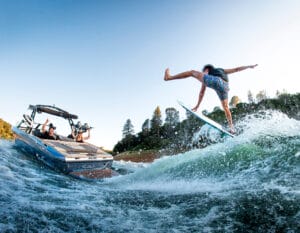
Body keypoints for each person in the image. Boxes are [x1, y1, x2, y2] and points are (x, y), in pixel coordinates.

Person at [164, 64, 258, 133]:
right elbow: (236, 69)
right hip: (225, 87)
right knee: (226, 107)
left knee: (192, 72)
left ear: (207, 70)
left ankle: (169, 77)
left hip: (216, 81)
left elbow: (202, 93)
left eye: (204, 71)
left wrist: (197, 106)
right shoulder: (222, 70)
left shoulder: (208, 76)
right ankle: (231, 128)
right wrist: (249, 66)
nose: (203, 73)